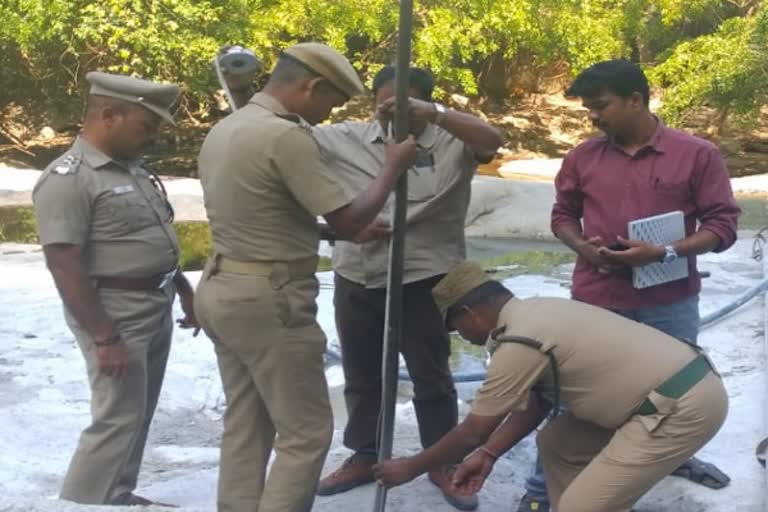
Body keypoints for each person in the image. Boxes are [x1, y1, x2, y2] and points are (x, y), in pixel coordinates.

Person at [506, 58, 743, 512]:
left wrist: (665, 251)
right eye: (588, 109)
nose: (593, 117)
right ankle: (540, 492)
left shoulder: (697, 154)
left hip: (667, 301)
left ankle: (671, 457)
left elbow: (723, 225)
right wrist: (582, 245)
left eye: (600, 106)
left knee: (672, 394)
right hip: (597, 299)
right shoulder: (582, 157)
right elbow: (562, 216)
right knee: (573, 398)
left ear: (636, 100)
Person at [194, 43, 417, 512]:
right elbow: (351, 222)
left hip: (221, 287)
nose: (326, 114)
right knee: (306, 432)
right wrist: (392, 168)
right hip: (269, 300)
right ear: (311, 86)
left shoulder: (228, 128)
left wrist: (325, 231)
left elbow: (259, 211)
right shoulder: (285, 136)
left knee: (247, 421)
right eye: (329, 103)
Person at [372, 261, 729, 512]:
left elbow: (472, 432)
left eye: (457, 328)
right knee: (557, 443)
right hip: (668, 393)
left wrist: (412, 467)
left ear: (470, 313)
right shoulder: (538, 310)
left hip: (682, 406)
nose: (462, 338)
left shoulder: (518, 342)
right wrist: (490, 454)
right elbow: (536, 404)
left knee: (582, 507)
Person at [312, 66, 502, 511]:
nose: (390, 113)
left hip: (426, 277)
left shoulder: (452, 139)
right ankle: (365, 454)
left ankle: (441, 460)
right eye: (383, 104)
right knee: (361, 374)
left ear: (423, 104)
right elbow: (283, 139)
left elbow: (492, 141)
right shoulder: (347, 137)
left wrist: (434, 114)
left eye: (403, 106)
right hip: (358, 275)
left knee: (430, 374)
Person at [32, 72, 199, 506]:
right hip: (113, 312)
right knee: (116, 416)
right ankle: (82, 503)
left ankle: (117, 493)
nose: (153, 137)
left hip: (153, 301)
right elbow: (63, 263)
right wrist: (105, 337)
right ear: (109, 115)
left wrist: (182, 288)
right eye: (147, 126)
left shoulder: (131, 170)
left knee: (136, 412)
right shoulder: (69, 178)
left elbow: (150, 236)